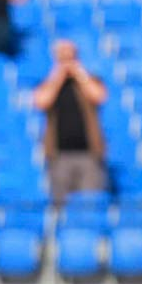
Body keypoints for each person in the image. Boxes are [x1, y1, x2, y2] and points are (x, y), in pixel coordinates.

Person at [33, 40, 108, 205]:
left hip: (89, 153)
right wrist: (58, 76)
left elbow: (99, 96)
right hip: (59, 155)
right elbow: (41, 101)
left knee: (90, 204)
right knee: (61, 204)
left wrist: (79, 73)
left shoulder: (88, 80)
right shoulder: (49, 83)